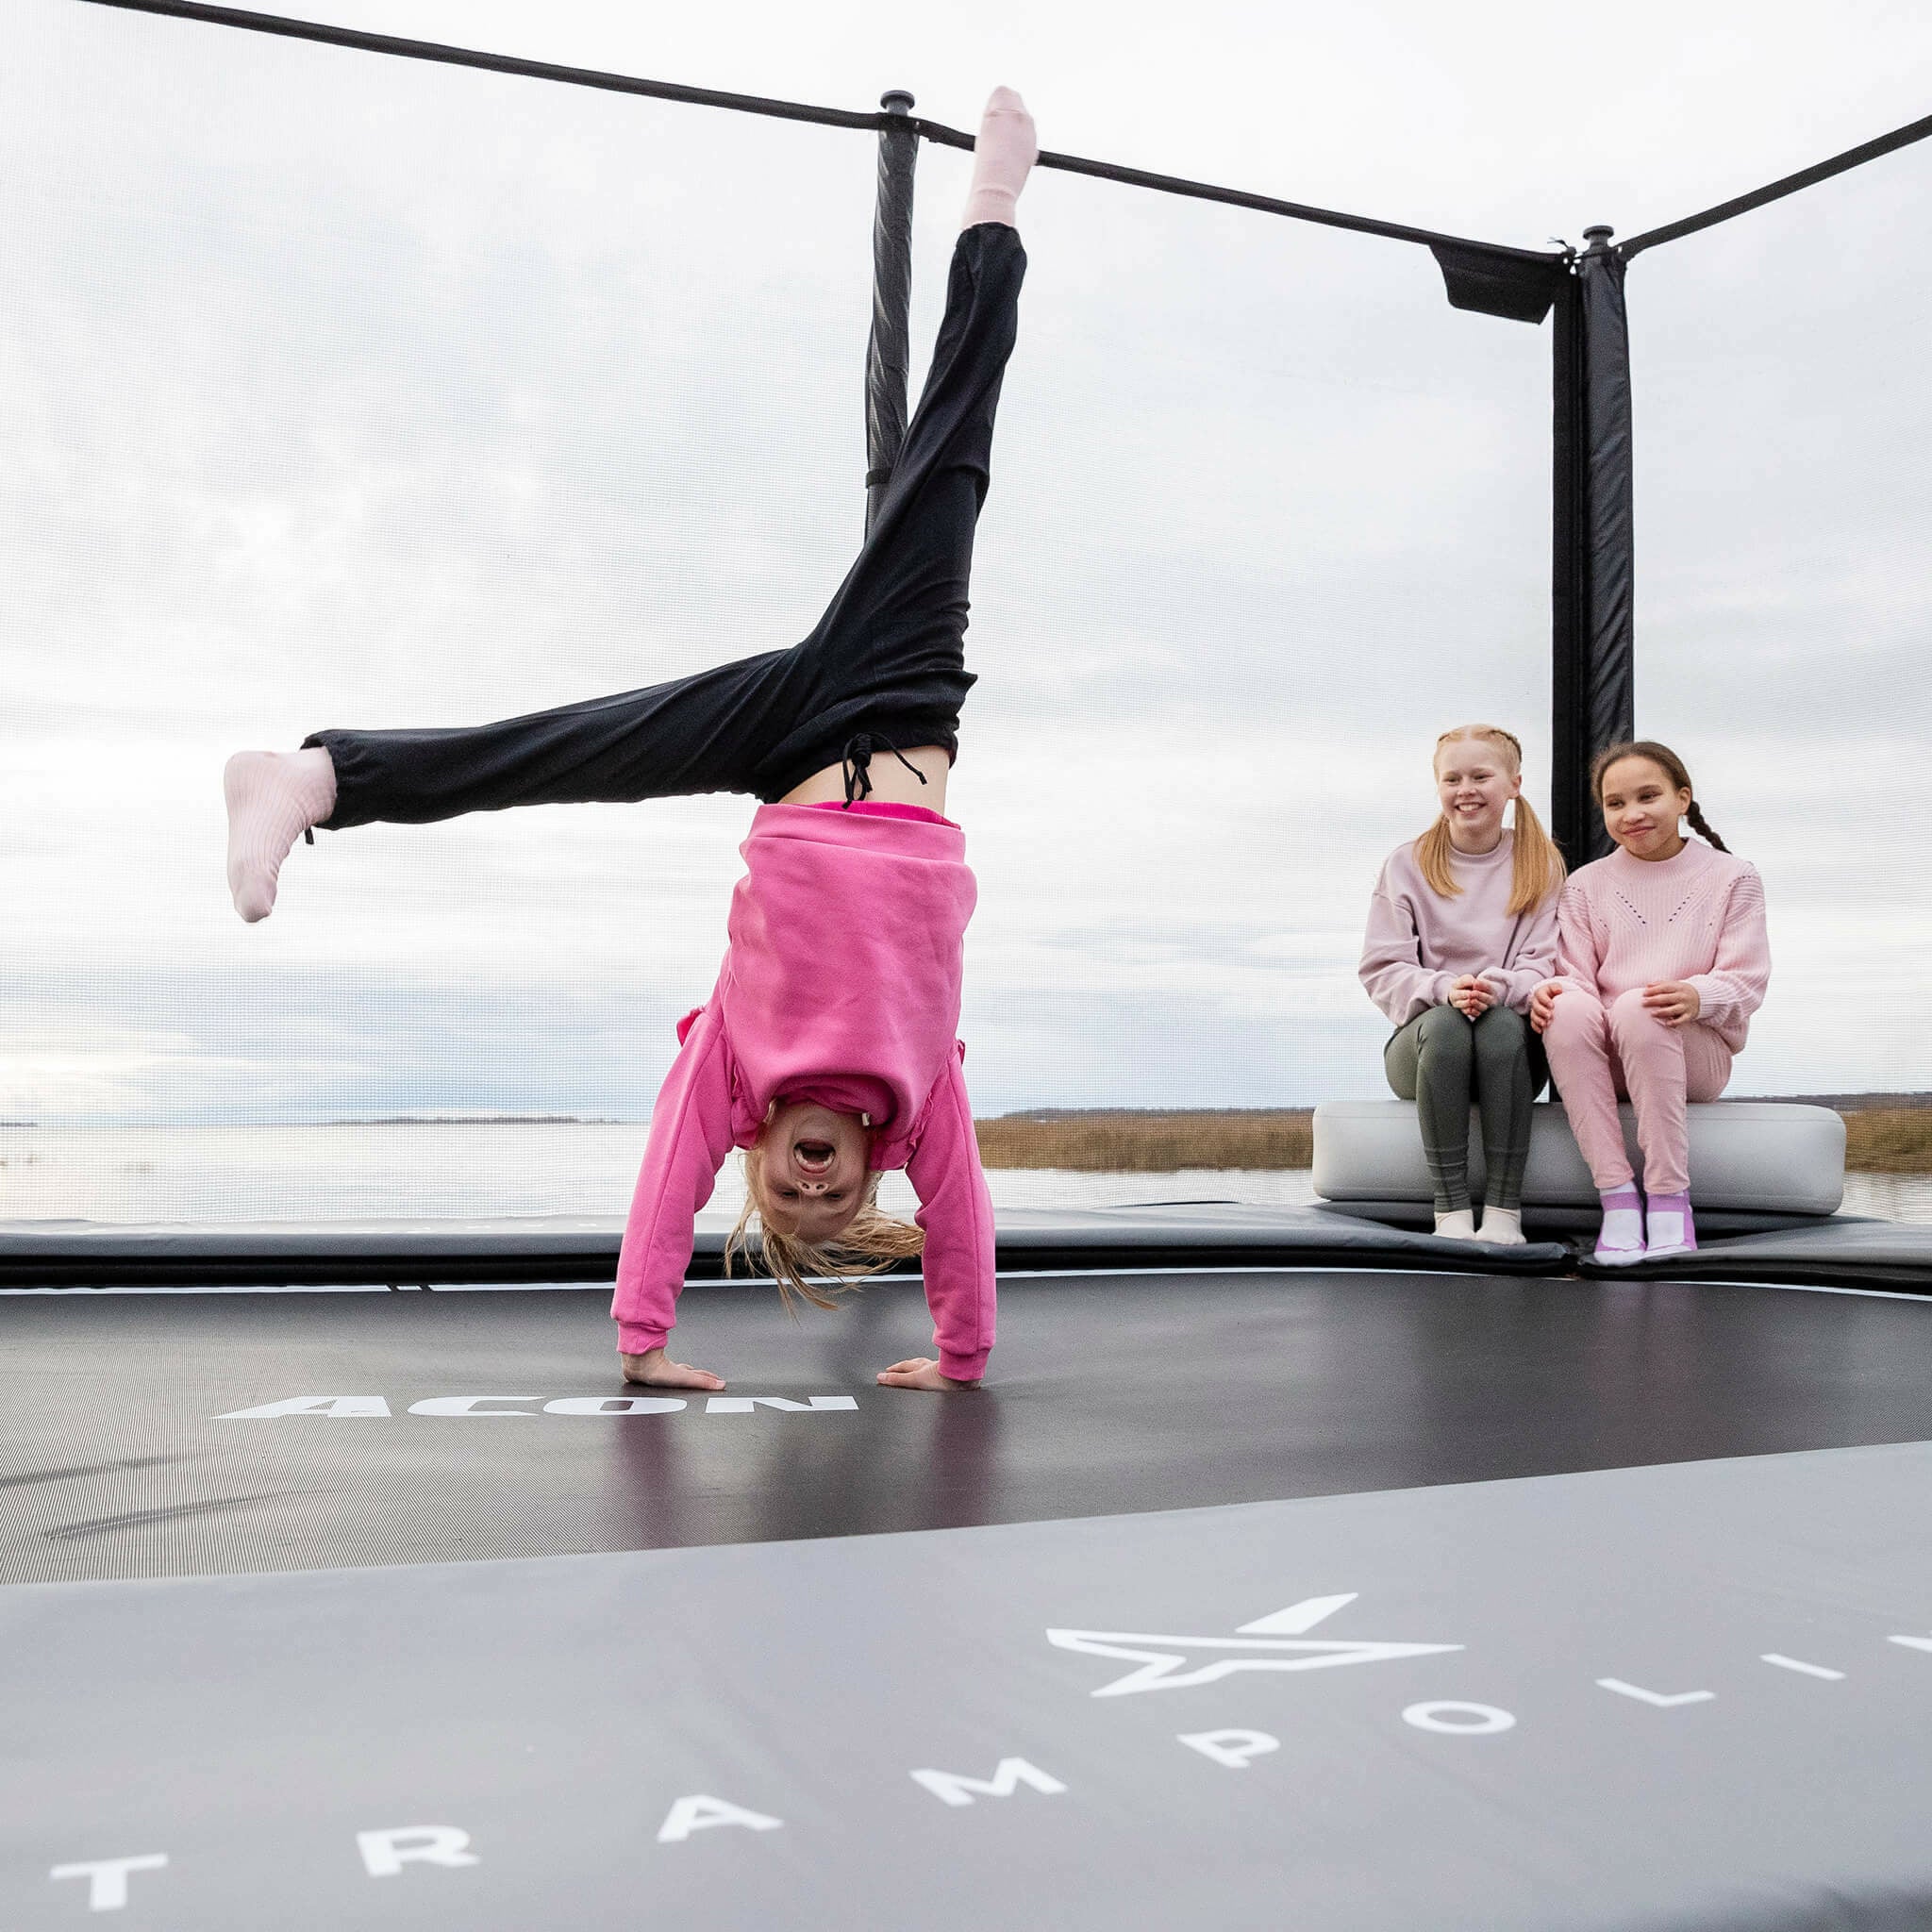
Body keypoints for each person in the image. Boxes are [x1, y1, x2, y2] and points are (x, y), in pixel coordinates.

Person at [221, 90, 1041, 1392]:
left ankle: (310, 779)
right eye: (836, 1204)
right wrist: (964, 1352)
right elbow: (968, 1224)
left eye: (789, 1201)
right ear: (875, 1169)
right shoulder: (923, 1097)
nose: (812, 1187)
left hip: (783, 756)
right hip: (896, 711)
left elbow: (668, 1181)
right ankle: (994, 213)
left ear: (764, 1164)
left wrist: (644, 1341)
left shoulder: (731, 1074)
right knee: (950, 467)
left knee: (571, 749)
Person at [1531, 740, 1770, 1266]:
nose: (1632, 814)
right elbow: (1572, 975)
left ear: (1682, 799)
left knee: (1642, 1006)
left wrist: (1697, 994)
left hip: (1693, 1055)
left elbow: (1747, 980)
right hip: (1610, 1056)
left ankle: (1668, 1200)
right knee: (1565, 1008)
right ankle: (1616, 1200)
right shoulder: (1584, 885)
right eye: (1616, 804)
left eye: (1648, 796)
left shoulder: (1734, 877)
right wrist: (1551, 994)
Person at [1359, 724, 1564, 1243]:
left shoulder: (1541, 863)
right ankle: (1449, 1212)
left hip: (1510, 1049)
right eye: (1452, 778)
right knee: (1450, 1025)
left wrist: (1499, 988)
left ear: (1514, 783)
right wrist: (1445, 989)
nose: (1465, 789)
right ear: (1438, 788)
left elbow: (1548, 962)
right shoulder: (1406, 865)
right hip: (1428, 1046)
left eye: (1481, 775)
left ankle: (1503, 1213)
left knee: (1497, 1026)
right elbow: (1382, 967)